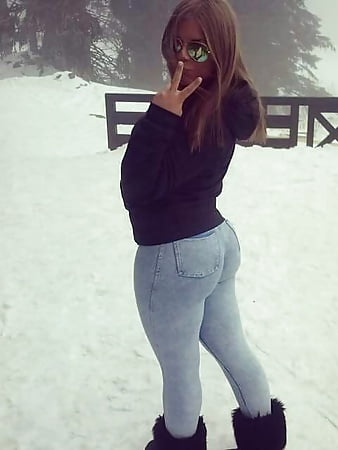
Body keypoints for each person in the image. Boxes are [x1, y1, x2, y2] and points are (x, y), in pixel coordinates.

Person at [120, 1, 287, 449]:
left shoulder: (192, 108)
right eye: (177, 43)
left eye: (197, 48)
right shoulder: (226, 99)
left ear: (221, 52)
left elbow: (137, 188)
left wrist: (159, 118)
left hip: (174, 254)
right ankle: (264, 437)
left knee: (180, 369)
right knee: (233, 349)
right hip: (215, 242)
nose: (182, 57)